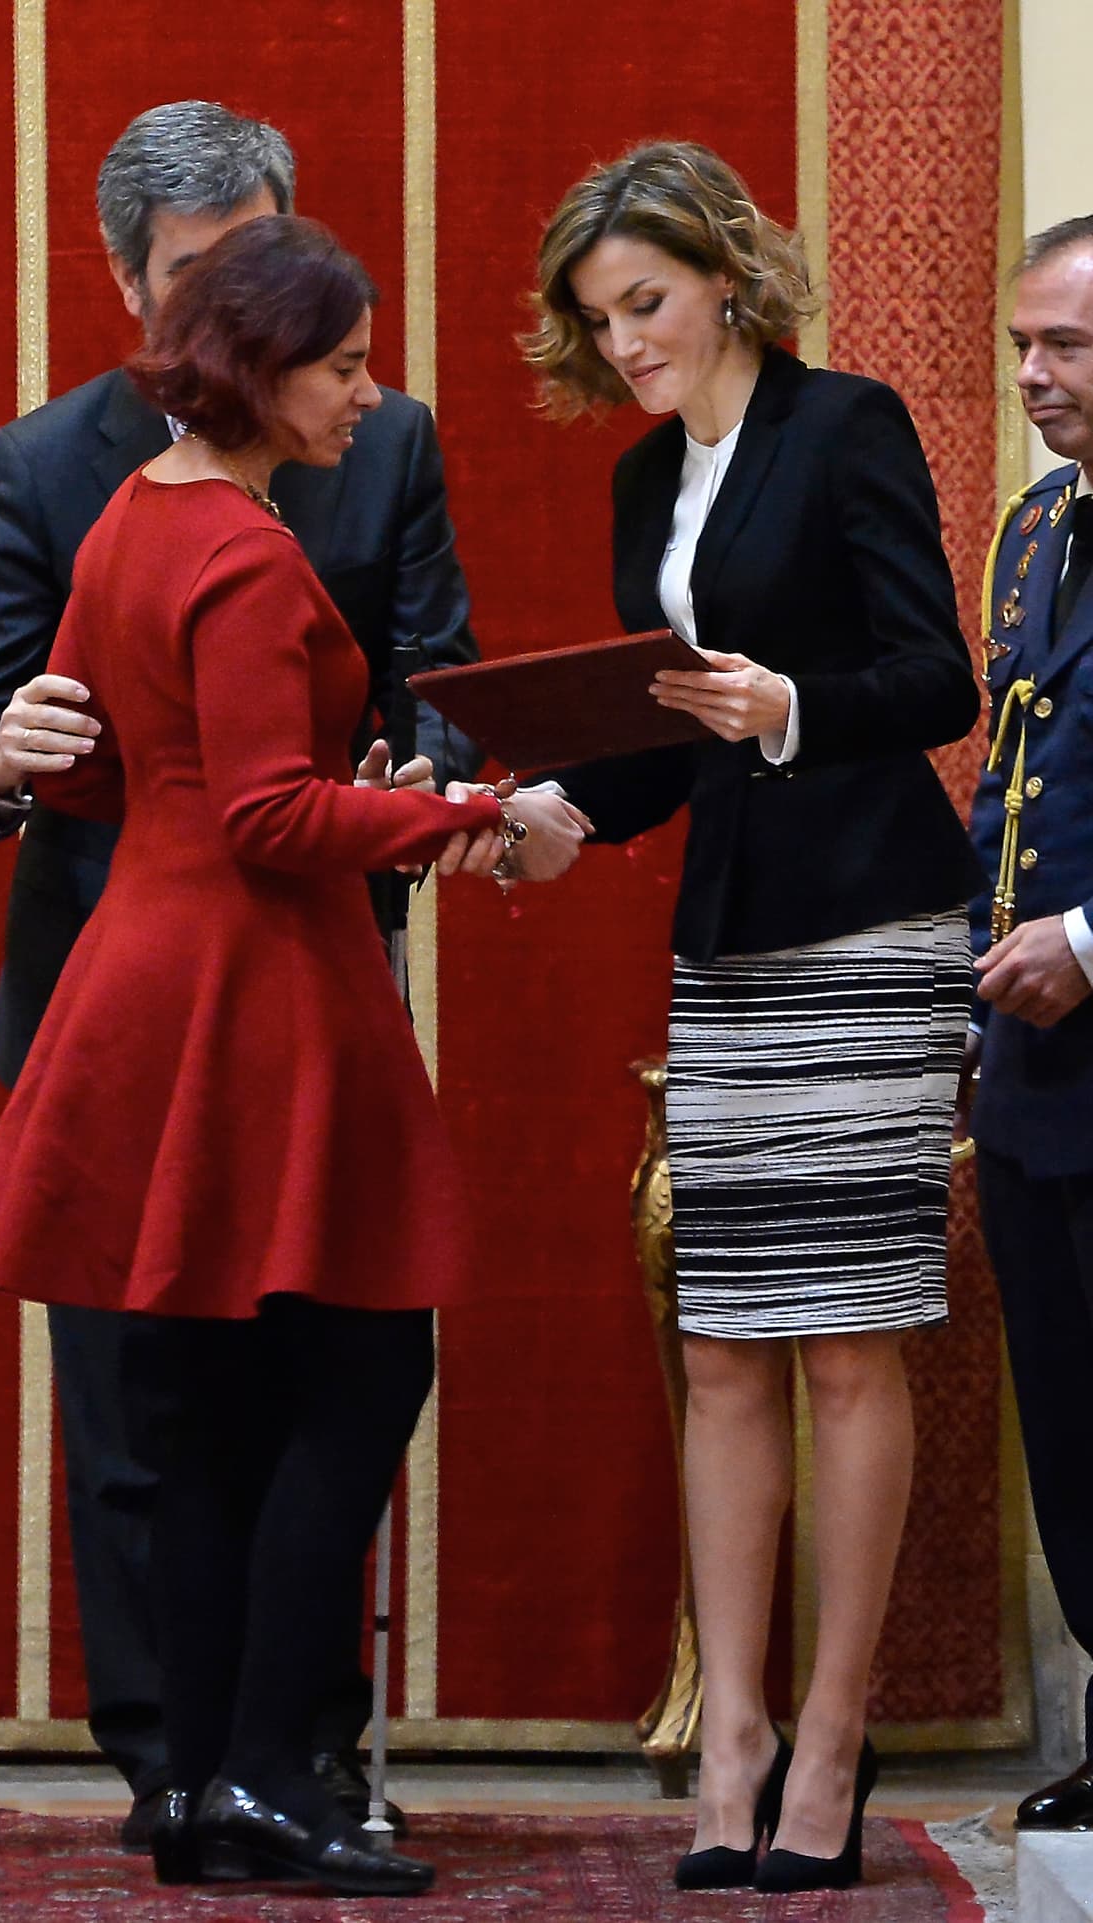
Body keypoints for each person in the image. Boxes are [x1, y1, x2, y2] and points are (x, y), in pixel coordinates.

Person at [0, 214, 589, 1893]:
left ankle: (215, 1790)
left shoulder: (129, 524)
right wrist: (466, 809)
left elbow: (86, 766)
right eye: (347, 365)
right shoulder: (238, 551)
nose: (371, 396)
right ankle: (264, 1780)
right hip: (256, 994)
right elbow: (270, 812)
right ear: (256, 370)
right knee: (365, 1372)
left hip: (142, 981)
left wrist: (236, 786)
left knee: (207, 1406)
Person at [520, 140, 982, 1893]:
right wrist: (555, 809)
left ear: (726, 276)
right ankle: (736, 1736)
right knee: (724, 1346)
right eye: (600, 319)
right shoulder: (651, 481)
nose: (628, 343)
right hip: (727, 937)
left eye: (646, 303)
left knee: (848, 1338)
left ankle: (836, 1740)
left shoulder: (845, 419)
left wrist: (791, 704)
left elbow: (933, 674)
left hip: (869, 922)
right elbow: (664, 733)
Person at [959, 214, 1093, 1832]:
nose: (1036, 378)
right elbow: (1013, 784)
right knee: (1064, 1405)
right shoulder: (1034, 529)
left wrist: (1089, 937)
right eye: (1022, 350)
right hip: (1034, 1067)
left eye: (1065, 347)